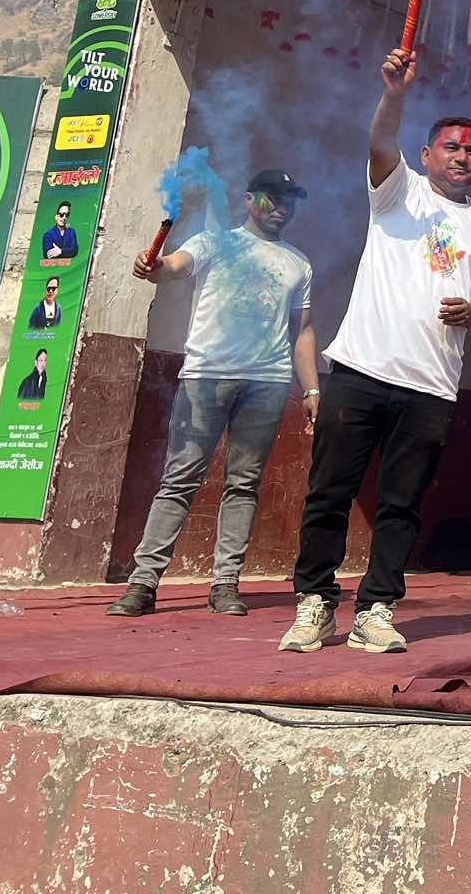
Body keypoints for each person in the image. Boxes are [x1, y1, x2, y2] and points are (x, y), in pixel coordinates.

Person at [278, 49, 471, 656]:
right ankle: (315, 603)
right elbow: (380, 139)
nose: (462, 157)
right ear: (426, 155)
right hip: (360, 369)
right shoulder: (397, 192)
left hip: (432, 386)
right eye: (451, 147)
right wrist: (396, 94)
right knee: (329, 492)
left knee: (402, 505)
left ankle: (376, 609)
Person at [107, 169, 317, 618]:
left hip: (268, 383)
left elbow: (302, 331)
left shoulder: (298, 263)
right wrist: (154, 267)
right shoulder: (214, 242)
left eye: (289, 200)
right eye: (272, 198)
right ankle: (143, 583)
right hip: (205, 377)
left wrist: (312, 386)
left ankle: (225, 584)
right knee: (179, 480)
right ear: (249, 200)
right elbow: (173, 266)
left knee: (243, 485)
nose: (282, 207)